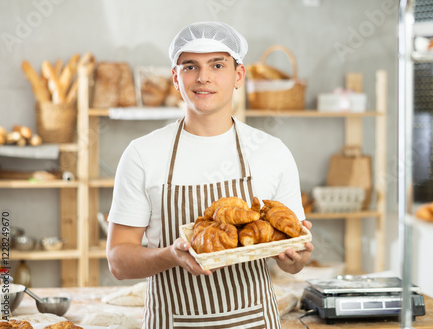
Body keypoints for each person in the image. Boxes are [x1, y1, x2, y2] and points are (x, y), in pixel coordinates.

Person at [106, 21, 314, 329]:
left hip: (255, 323)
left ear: (238, 75)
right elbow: (118, 262)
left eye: (217, 65)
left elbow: (295, 256)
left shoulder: (272, 151)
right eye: (190, 66)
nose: (203, 77)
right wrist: (170, 255)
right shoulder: (142, 154)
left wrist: (298, 259)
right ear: (176, 78)